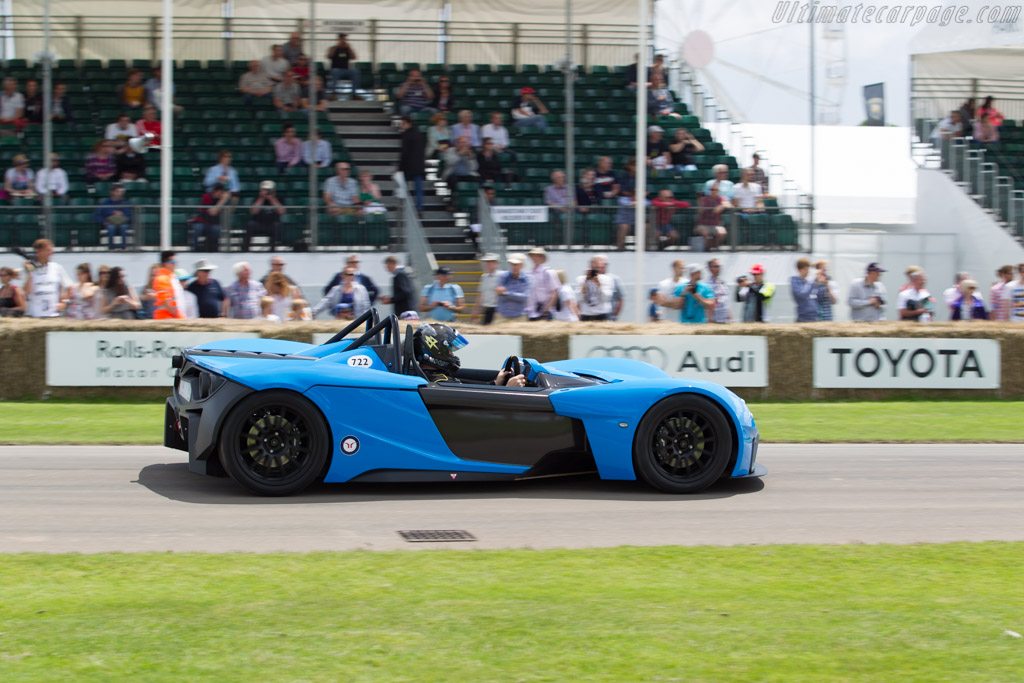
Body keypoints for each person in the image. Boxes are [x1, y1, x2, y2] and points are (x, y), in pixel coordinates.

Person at [412, 323, 526, 386]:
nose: (452, 354)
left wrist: (495, 383)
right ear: (437, 351)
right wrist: (509, 389)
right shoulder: (440, 383)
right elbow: (478, 405)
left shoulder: (435, 377)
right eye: (450, 350)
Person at [244, 180, 285, 252]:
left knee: (277, 225)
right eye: (265, 190)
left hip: (272, 224)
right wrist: (261, 198)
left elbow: (281, 212)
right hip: (259, 223)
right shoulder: (257, 198)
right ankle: (245, 249)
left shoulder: (279, 198)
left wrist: (272, 199)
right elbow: (253, 212)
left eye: (269, 190)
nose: (267, 191)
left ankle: (273, 250)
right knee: (250, 224)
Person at [442, 136, 479, 211]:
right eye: (462, 142)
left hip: (466, 175)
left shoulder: (469, 152)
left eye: (465, 143)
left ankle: (473, 203)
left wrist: (470, 157)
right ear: (457, 143)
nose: (463, 145)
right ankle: (451, 203)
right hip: (452, 174)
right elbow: (450, 162)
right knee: (453, 180)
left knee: (477, 180)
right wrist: (460, 153)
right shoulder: (450, 151)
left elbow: (474, 168)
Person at [398, 115, 426, 213]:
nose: (402, 126)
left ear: (408, 123)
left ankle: (404, 206)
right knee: (418, 188)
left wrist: (400, 167)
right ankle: (419, 207)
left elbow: (404, 152)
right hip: (419, 165)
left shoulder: (406, 135)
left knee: (403, 187)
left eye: (403, 124)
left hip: (408, 165)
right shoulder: (420, 135)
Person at [190, 183, 230, 252]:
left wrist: (227, 200)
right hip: (202, 221)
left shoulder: (222, 201)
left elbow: (229, 212)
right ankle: (194, 249)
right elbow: (212, 212)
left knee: (216, 229)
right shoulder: (207, 197)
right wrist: (222, 200)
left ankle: (213, 250)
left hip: (214, 223)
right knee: (197, 228)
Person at [94, 183, 133, 250]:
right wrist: (104, 221)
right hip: (109, 223)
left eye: (121, 192)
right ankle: (111, 248)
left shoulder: (125, 203)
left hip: (122, 223)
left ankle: (124, 248)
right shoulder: (105, 203)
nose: (119, 193)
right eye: (117, 191)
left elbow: (130, 216)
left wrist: (122, 215)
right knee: (111, 227)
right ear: (112, 192)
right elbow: (96, 215)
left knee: (124, 227)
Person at [525, 247, 560, 321]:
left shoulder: (548, 272)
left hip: (544, 311)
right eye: (533, 255)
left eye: (538, 256)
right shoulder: (529, 273)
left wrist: (547, 308)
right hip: (531, 311)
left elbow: (554, 292)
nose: (535, 258)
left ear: (542, 258)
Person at [576, 257, 615, 321]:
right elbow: (579, 298)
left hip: (602, 313)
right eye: (595, 268)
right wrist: (585, 282)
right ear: (590, 267)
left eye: (600, 267)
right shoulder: (580, 279)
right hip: (586, 314)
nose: (598, 270)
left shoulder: (607, 279)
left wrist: (598, 283)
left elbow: (606, 297)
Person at [493, 254, 529, 323]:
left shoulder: (527, 278)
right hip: (502, 315)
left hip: (519, 316)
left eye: (516, 264)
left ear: (522, 265)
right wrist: (515, 295)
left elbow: (524, 297)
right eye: (512, 264)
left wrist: (506, 292)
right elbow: (500, 295)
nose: (514, 267)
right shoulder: (503, 276)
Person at [326, 33, 361, 98]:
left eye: (344, 39)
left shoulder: (347, 49)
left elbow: (354, 57)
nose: (343, 40)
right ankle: (333, 93)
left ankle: (354, 94)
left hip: (346, 70)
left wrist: (349, 48)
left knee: (355, 71)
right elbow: (329, 56)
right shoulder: (333, 48)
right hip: (336, 70)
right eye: (341, 39)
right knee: (335, 72)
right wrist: (337, 46)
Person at [152, 250, 185, 319]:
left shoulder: (171, 277)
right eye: (173, 262)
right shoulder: (162, 278)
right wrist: (177, 316)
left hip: (172, 318)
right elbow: (165, 301)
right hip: (166, 318)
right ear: (166, 264)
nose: (175, 265)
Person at [696, 182, 729, 250]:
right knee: (705, 233)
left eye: (715, 190)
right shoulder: (704, 199)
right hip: (703, 224)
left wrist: (721, 206)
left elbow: (728, 204)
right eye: (711, 190)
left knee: (722, 233)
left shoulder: (721, 198)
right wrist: (700, 202)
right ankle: (707, 248)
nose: (713, 191)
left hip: (716, 224)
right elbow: (699, 212)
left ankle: (712, 246)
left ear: (718, 191)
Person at [614, 158, 638, 251]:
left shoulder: (640, 177)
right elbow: (623, 191)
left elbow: (646, 193)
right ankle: (620, 247)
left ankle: (646, 248)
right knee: (624, 226)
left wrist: (637, 196)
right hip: (624, 220)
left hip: (636, 220)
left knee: (646, 225)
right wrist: (632, 195)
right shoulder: (624, 177)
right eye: (633, 165)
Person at [472, 253, 501, 325]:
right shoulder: (484, 276)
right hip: (487, 308)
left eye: (491, 262)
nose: (488, 264)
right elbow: (481, 294)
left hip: (498, 309)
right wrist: (475, 311)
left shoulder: (502, 276)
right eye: (487, 262)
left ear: (496, 263)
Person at [790, 257, 817, 323]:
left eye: (808, 269)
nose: (807, 272)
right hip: (804, 317)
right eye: (805, 269)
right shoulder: (795, 281)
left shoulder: (808, 282)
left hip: (814, 316)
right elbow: (802, 294)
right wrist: (814, 281)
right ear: (799, 269)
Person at [705, 258, 731, 324]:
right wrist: (709, 319)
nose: (718, 269)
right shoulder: (707, 285)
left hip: (725, 320)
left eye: (719, 266)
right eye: (716, 267)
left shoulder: (723, 283)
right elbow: (707, 305)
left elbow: (727, 303)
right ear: (710, 268)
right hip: (715, 320)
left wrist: (730, 318)